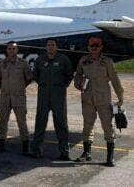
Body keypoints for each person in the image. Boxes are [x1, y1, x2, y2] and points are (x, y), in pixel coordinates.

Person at [74, 36, 124, 167]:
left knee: (107, 126)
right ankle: (87, 153)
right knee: (87, 126)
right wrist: (78, 83)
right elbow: (78, 75)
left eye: (96, 46)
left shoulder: (107, 62)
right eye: (92, 46)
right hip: (87, 99)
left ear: (101, 47)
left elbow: (115, 80)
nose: (94, 48)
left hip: (103, 99)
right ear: (88, 47)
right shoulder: (83, 61)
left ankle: (110, 156)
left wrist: (120, 97)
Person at [30, 37, 73, 160]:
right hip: (43, 95)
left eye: (53, 45)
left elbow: (69, 75)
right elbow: (36, 75)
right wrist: (44, 85)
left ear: (56, 46)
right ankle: (36, 150)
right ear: (46, 47)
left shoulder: (63, 59)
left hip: (58, 95)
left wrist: (61, 86)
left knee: (61, 123)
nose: (50, 47)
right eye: (48, 45)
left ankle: (64, 152)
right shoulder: (40, 59)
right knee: (40, 122)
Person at [0, 41, 33, 155]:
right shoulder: (2, 63)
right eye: (9, 49)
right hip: (5, 96)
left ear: (17, 50)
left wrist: (19, 87)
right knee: (3, 121)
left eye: (14, 49)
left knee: (21, 121)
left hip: (18, 97)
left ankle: (25, 146)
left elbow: (29, 78)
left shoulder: (23, 63)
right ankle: (1, 144)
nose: (11, 50)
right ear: (7, 50)